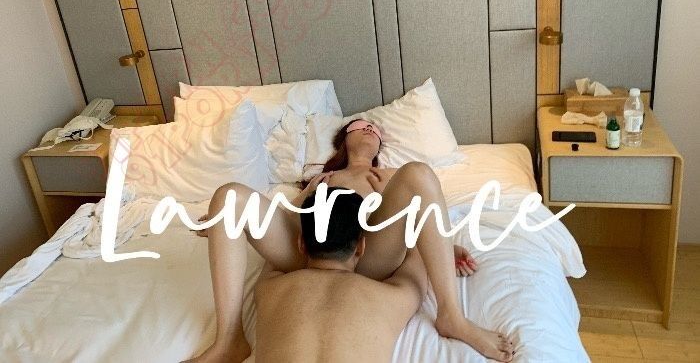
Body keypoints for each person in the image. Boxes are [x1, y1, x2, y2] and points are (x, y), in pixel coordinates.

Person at [185, 119, 515, 363]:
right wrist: (229, 222)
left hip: (370, 249)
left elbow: (423, 214)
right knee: (228, 197)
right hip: (313, 245)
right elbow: (291, 217)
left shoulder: (391, 178)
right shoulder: (320, 179)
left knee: (420, 173)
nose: (368, 128)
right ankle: (228, 340)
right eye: (360, 126)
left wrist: (439, 246)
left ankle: (452, 316)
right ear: (344, 138)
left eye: (374, 128)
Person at [254, 188, 427, 363]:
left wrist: (301, 198)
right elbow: (416, 258)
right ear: (361, 247)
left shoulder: (268, 289)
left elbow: (274, 248)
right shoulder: (390, 297)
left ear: (301, 243)